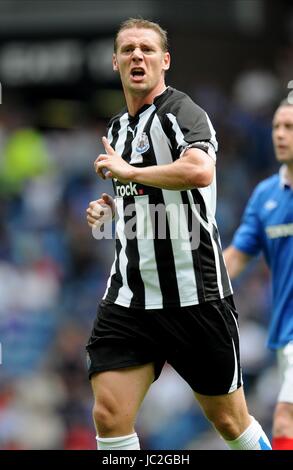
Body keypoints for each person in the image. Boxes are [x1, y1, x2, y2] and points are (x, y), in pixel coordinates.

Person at [85, 18, 271, 451]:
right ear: (115, 62)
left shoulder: (182, 113)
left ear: (164, 61)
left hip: (194, 295)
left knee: (230, 422)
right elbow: (139, 196)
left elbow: (199, 169)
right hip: (131, 297)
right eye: (128, 49)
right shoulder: (116, 130)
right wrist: (109, 209)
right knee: (109, 415)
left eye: (147, 49)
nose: (137, 56)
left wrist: (130, 172)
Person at [224, 99, 293, 450]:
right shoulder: (265, 195)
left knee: (285, 418)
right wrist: (194, 289)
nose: (280, 135)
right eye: (277, 127)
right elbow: (236, 257)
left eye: (289, 128)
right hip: (284, 330)